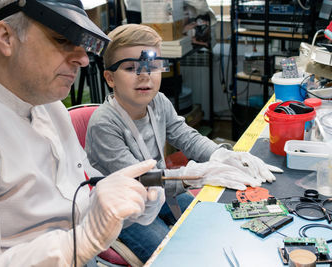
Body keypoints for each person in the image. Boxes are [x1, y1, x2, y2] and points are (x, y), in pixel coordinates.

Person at [0, 1, 165, 266]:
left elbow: (75, 192)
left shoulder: (47, 101)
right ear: (6, 37)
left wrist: (114, 196)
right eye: (63, 39)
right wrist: (84, 240)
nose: (83, 59)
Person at [85, 24, 283, 263]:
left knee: (210, 224)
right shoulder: (104, 124)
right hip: (126, 212)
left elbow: (186, 136)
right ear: (109, 78)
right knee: (177, 256)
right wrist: (192, 176)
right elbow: (139, 183)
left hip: (162, 194)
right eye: (130, 68)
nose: (144, 74)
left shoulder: (158, 102)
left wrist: (222, 156)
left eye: (153, 65)